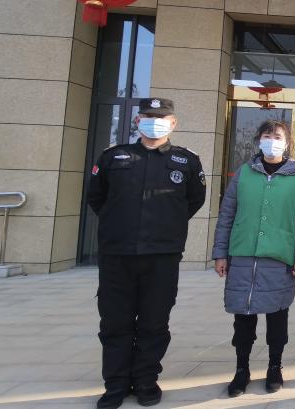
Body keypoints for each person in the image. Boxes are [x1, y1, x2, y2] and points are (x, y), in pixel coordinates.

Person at [87, 98, 206, 409]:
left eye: (161, 117)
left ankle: (145, 381)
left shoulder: (186, 161)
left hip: (162, 255)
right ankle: (115, 385)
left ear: (173, 123)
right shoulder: (113, 157)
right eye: (148, 116)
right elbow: (97, 198)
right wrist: (121, 224)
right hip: (117, 254)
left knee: (155, 321)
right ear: (138, 121)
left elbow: (193, 201)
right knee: (115, 322)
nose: (155, 121)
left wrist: (166, 225)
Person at [211, 120, 295, 397]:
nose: (272, 140)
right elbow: (227, 214)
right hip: (242, 255)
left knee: (277, 316)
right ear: (258, 140)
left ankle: (274, 366)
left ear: (287, 142)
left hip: (279, 257)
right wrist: (220, 253)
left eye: (278, 136)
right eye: (267, 135)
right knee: (243, 317)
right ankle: (241, 369)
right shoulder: (244, 173)